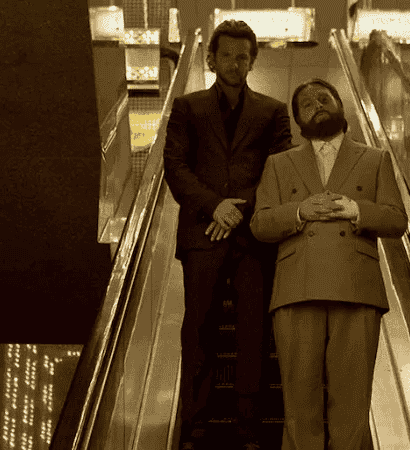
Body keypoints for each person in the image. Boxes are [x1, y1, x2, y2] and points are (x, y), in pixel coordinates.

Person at [250, 78, 407, 450]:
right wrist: (299, 211)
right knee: (298, 403)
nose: (317, 105)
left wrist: (356, 210)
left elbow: (397, 220)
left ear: (341, 106)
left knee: (352, 405)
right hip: (296, 288)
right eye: (307, 104)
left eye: (324, 98)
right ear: (298, 121)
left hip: (357, 288)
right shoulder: (278, 163)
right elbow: (260, 224)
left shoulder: (375, 158)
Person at [163, 20, 294, 450]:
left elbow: (279, 170)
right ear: (211, 59)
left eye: (243, 57)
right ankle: (194, 422)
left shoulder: (273, 111)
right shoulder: (187, 107)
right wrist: (214, 205)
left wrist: (237, 210)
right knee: (198, 328)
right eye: (227, 56)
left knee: (253, 330)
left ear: (252, 61)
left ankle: (248, 422)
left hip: (253, 236)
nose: (235, 64)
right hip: (203, 233)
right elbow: (175, 166)